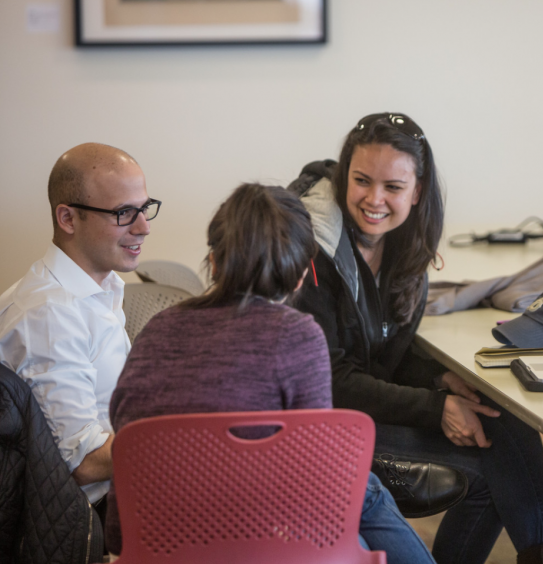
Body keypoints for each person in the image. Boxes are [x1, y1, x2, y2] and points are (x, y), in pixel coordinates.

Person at [291, 113, 543, 564]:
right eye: (361, 180)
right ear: (343, 176)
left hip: (360, 410)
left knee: (502, 424)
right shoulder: (311, 250)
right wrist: (435, 406)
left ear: (418, 191)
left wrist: (442, 378)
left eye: (393, 187)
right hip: (319, 433)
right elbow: (331, 379)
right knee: (499, 458)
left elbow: (386, 355)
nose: (374, 199)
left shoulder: (401, 246)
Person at [104, 183, 434, 564]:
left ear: (213, 261)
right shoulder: (297, 334)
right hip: (260, 540)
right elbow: (316, 476)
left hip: (152, 544)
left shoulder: (157, 327)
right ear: (301, 275)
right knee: (366, 487)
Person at [0, 143, 157, 510]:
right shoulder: (49, 314)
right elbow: (83, 464)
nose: (143, 227)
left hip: (118, 489)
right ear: (68, 219)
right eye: (123, 213)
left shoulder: (99, 287)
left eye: (145, 208)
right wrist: (170, 434)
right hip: (91, 515)